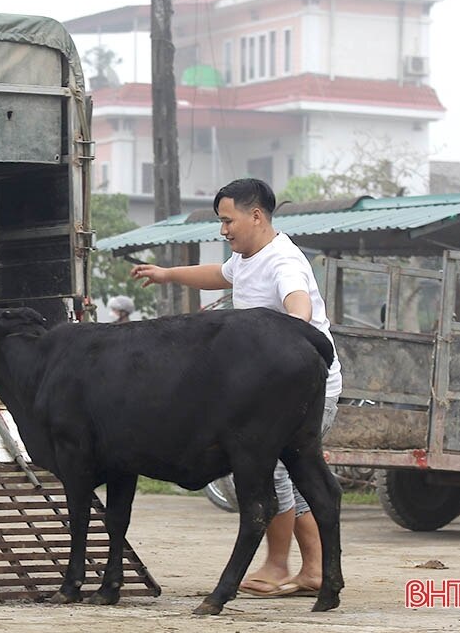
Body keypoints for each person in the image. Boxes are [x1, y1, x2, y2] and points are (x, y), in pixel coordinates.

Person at [130, 177, 342, 599]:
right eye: (220, 222)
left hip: (300, 388)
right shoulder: (248, 256)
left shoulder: (284, 262)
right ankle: (315, 569)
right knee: (295, 473)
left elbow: (297, 306)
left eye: (228, 221)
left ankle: (277, 565)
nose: (223, 230)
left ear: (256, 216)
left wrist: (288, 342)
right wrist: (167, 273)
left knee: (273, 473)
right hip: (274, 389)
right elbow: (219, 275)